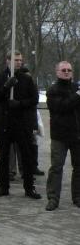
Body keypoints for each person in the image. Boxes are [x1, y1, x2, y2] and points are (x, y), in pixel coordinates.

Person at [0, 52, 41, 200]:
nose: (18, 63)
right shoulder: (0, 77)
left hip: (22, 123)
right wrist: (6, 86)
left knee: (26, 155)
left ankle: (29, 187)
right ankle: (3, 186)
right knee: (4, 157)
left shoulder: (26, 79)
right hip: (5, 123)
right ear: (8, 61)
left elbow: (34, 99)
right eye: (15, 60)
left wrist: (19, 104)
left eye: (20, 60)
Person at [45, 61, 80, 211]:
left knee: (78, 167)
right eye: (64, 70)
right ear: (57, 72)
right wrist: (77, 96)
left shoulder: (75, 88)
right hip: (59, 135)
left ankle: (77, 196)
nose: (67, 72)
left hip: (77, 135)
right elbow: (61, 107)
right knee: (56, 167)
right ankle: (53, 198)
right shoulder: (53, 90)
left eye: (69, 70)